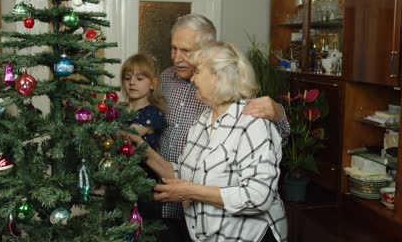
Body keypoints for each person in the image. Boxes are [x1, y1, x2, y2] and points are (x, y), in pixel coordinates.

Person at [129, 41, 287, 242]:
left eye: (198, 72)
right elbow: (187, 173)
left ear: (219, 76)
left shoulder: (252, 122)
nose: (192, 79)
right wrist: (142, 149)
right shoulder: (201, 121)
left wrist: (189, 191)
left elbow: (257, 196)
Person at [120, 53, 167, 219]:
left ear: (152, 84)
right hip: (118, 180)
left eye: (139, 79)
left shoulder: (152, 112)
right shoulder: (119, 108)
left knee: (141, 224)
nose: (132, 83)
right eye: (127, 78)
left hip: (143, 182)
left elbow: (129, 135)